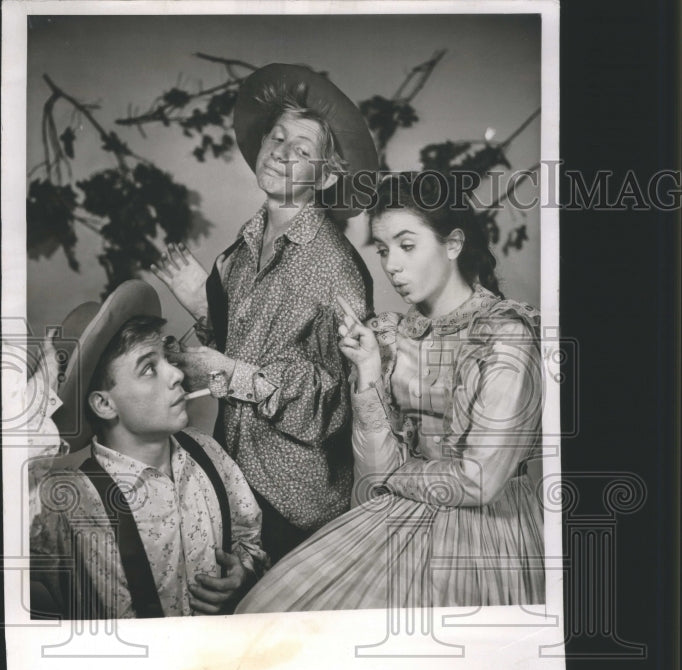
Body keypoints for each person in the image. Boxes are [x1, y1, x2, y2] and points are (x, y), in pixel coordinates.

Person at [236, 172, 545, 613]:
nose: (391, 266)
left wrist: (396, 479)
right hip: (404, 512)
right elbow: (370, 476)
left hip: (490, 527)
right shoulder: (393, 337)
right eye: (382, 250)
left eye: (407, 245)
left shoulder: (505, 335)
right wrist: (367, 373)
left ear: (453, 244)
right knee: (274, 610)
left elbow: (480, 481)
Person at [151, 63, 377, 562]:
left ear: (327, 173)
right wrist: (205, 308)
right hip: (233, 481)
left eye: (302, 150)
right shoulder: (242, 247)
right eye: (276, 138)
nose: (280, 152)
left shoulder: (336, 267)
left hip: (297, 505)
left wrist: (231, 374)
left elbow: (337, 400)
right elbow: (251, 347)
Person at [31, 279, 267, 619]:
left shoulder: (206, 452)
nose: (175, 373)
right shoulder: (67, 500)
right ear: (103, 403)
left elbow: (249, 535)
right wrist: (35, 403)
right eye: (148, 368)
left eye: (166, 357)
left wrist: (243, 575)